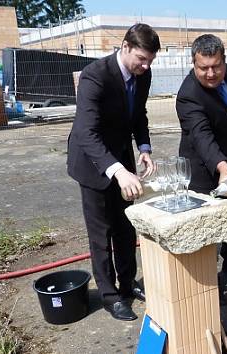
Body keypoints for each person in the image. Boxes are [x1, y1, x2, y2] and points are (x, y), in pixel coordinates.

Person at [66, 23, 160, 321]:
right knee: (101, 232)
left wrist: (143, 148)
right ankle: (109, 295)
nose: (145, 67)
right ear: (125, 47)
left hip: (121, 158)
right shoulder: (96, 76)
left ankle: (128, 283)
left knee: (125, 226)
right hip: (92, 162)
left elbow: (138, 114)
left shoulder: (141, 76)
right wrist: (119, 171)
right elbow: (85, 132)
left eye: (149, 61)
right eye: (141, 59)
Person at [176, 34, 227, 286]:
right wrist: (224, 169)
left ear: (224, 61)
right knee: (207, 228)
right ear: (193, 63)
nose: (211, 73)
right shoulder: (188, 95)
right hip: (204, 171)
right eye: (204, 68)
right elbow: (202, 137)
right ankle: (208, 283)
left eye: (216, 66)